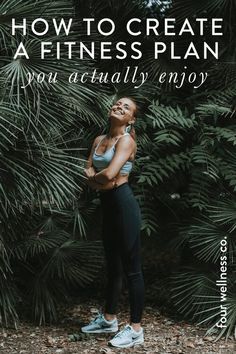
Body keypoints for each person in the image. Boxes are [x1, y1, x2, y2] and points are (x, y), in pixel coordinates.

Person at [81, 97, 145, 348]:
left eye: (126, 107)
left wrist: (98, 178)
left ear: (131, 120)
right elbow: (91, 172)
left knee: (133, 268)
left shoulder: (126, 141)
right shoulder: (98, 140)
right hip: (107, 205)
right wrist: (102, 180)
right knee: (113, 266)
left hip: (123, 205)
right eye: (117, 104)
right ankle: (109, 319)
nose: (120, 107)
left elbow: (107, 174)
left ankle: (136, 329)